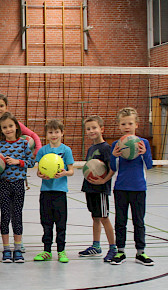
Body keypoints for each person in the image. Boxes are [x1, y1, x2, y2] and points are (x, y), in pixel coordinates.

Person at [0, 93, 41, 253]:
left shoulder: (15, 124)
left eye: (1, 105)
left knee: (15, 208)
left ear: (6, 108)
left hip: (15, 173)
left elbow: (34, 136)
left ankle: (17, 241)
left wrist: (37, 152)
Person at [109, 107, 154, 266]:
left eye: (130, 123)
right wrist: (113, 156)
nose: (127, 126)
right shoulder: (116, 144)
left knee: (139, 221)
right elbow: (113, 167)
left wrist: (144, 153)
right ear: (119, 126)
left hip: (139, 188)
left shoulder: (144, 143)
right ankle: (120, 251)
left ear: (136, 124)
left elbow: (149, 165)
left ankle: (140, 252)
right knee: (120, 221)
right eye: (123, 124)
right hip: (121, 188)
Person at [0, 112, 34, 263]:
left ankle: (18, 248)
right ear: (0, 130)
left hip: (18, 183)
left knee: (17, 215)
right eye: (4, 127)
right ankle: (6, 249)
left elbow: (31, 162)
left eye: (10, 126)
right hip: (3, 183)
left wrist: (18, 162)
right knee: (5, 215)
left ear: (16, 126)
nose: (8, 129)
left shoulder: (23, 143)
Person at [34, 119, 74, 263]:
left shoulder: (66, 150)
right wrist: (41, 175)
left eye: (56, 132)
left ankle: (61, 251)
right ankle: (47, 250)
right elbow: (38, 171)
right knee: (46, 222)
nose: (54, 135)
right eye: (50, 132)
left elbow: (71, 171)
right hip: (46, 191)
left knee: (60, 223)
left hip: (60, 192)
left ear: (62, 133)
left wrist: (64, 173)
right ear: (46, 134)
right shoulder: (43, 151)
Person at [79, 116, 117, 262]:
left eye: (94, 128)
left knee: (104, 217)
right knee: (95, 217)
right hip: (90, 188)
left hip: (100, 189)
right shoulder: (91, 148)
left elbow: (112, 168)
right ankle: (96, 246)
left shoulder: (106, 148)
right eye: (88, 129)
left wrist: (104, 180)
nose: (91, 131)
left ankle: (113, 248)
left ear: (102, 129)